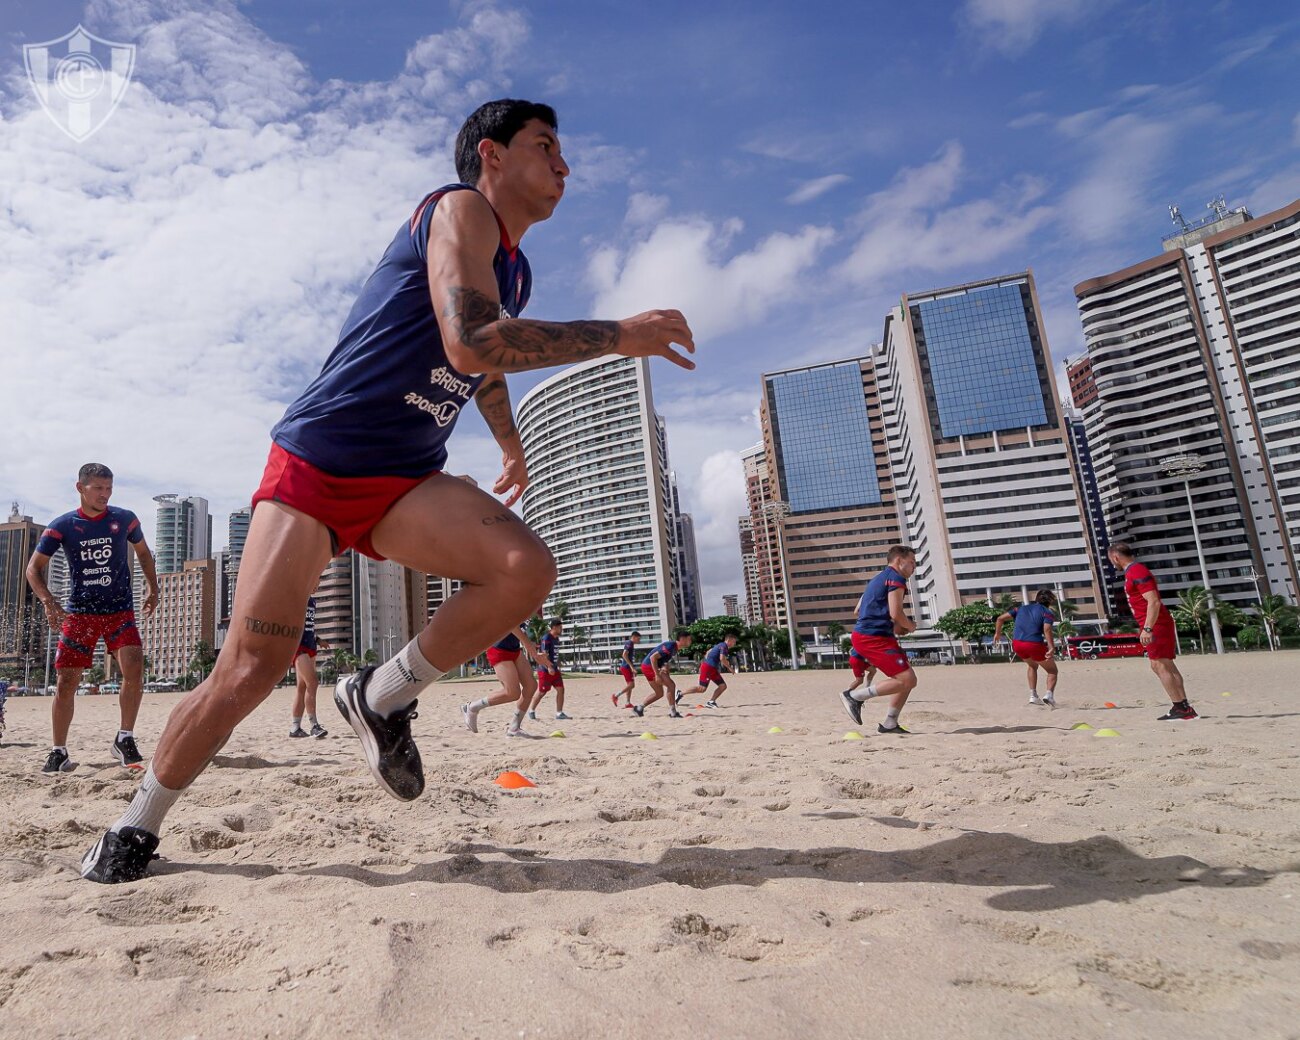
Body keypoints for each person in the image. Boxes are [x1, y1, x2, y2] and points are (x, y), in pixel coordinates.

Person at [78, 98, 695, 883]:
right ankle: (136, 826)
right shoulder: (459, 208)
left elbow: (486, 362)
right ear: (491, 156)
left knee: (523, 568)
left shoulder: (516, 265)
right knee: (248, 670)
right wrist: (620, 336)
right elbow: (470, 340)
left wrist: (509, 442)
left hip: (403, 476)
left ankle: (380, 694)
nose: (565, 165)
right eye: (546, 146)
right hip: (320, 461)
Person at [26, 463, 159, 773]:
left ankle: (124, 738)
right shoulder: (63, 525)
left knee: (134, 668)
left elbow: (143, 553)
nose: (105, 494)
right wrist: (48, 601)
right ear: (80, 488)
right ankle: (59, 750)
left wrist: (153, 588)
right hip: (81, 612)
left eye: (109, 488)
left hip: (119, 610)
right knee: (66, 681)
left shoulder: (124, 519)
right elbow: (33, 569)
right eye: (98, 488)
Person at [1107, 543, 1197, 720]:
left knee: (1159, 665)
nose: (1112, 564)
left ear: (1116, 557)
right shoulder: (1134, 572)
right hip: (1155, 623)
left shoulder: (1136, 571)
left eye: (1111, 560)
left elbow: (1153, 601)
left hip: (1155, 624)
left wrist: (1147, 628)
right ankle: (1183, 707)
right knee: (1166, 665)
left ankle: (1181, 708)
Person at [840, 545, 918, 734]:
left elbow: (857, 610)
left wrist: (889, 622)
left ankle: (890, 722)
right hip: (873, 638)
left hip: (870, 635)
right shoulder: (896, 578)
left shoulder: (877, 579)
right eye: (912, 562)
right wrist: (909, 625)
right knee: (908, 680)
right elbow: (895, 612)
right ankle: (855, 696)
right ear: (899, 561)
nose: (914, 567)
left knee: (906, 677)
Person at [462, 624, 539, 736]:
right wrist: (528, 645)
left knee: (531, 685)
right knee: (512, 693)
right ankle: (471, 707)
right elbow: (511, 623)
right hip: (498, 647)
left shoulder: (529, 608)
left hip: (514, 648)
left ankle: (514, 728)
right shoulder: (516, 606)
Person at [993, 590, 1059, 708]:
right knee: (1052, 671)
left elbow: (1000, 618)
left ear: (1037, 599)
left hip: (1017, 644)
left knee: (1032, 665)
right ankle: (1049, 695)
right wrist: (1051, 647)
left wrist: (997, 634)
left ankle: (1033, 695)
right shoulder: (1047, 612)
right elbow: (1047, 630)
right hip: (1033, 644)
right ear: (1050, 601)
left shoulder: (1020, 609)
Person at [288, 596, 329, 738]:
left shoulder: (312, 601)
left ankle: (295, 728)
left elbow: (308, 627)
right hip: (298, 646)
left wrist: (319, 640)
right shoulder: (296, 597)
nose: (316, 584)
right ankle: (314, 726)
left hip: (310, 645)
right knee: (313, 682)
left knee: (302, 687)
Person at [632, 628, 693, 718]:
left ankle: (639, 708)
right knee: (671, 685)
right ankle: (673, 712)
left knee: (659, 693)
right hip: (649, 666)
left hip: (647, 666)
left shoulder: (674, 649)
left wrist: (664, 668)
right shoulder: (670, 646)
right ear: (682, 639)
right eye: (689, 639)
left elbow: (662, 660)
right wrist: (657, 675)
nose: (691, 641)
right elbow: (653, 657)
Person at [679, 630, 738, 707]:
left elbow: (709, 651)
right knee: (702, 689)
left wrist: (707, 659)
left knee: (723, 686)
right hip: (708, 668)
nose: (734, 644)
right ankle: (680, 694)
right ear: (729, 640)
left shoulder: (720, 645)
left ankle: (711, 702)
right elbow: (722, 658)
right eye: (734, 642)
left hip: (712, 668)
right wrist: (729, 668)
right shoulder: (724, 646)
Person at [528, 618, 568, 720]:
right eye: (560, 627)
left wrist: (557, 665)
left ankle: (559, 713)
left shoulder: (556, 639)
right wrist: (549, 667)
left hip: (554, 669)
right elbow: (543, 655)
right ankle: (531, 711)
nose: (561, 629)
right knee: (542, 692)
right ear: (554, 627)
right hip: (545, 670)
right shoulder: (547, 638)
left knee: (561, 689)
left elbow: (554, 654)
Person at [612, 630, 642, 707]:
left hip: (627, 667)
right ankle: (616, 696)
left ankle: (628, 703)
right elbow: (624, 655)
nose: (639, 640)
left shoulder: (631, 644)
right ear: (634, 637)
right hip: (626, 667)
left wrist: (632, 667)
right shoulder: (629, 643)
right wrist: (632, 667)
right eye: (638, 639)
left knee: (629, 685)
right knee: (632, 685)